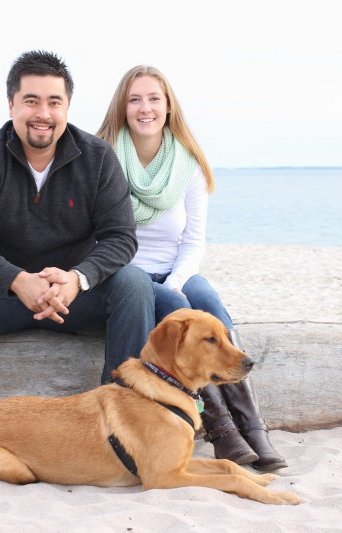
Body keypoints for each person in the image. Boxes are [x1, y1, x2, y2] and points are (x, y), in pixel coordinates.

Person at [0, 51, 155, 469]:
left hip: (73, 300)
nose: (42, 113)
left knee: (134, 284)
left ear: (67, 107)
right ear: (11, 105)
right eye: (31, 101)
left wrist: (78, 279)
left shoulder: (97, 157)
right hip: (3, 298)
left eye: (53, 102)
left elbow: (121, 238)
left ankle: (121, 432)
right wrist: (15, 279)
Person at [96, 65, 287, 471]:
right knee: (179, 304)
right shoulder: (102, 157)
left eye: (154, 99)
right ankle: (222, 432)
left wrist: (179, 285)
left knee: (208, 302)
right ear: (122, 107)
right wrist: (171, 296)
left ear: (168, 107)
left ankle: (253, 428)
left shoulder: (188, 165)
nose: (144, 108)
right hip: (123, 274)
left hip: (175, 270)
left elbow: (193, 241)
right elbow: (96, 237)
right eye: (135, 99)